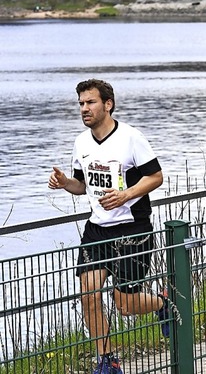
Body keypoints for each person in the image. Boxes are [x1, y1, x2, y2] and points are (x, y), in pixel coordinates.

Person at [48, 79, 168, 374]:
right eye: (81, 104)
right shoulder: (81, 142)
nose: (84, 109)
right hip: (97, 229)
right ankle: (107, 360)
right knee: (88, 296)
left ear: (107, 104)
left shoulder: (131, 138)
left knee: (124, 305)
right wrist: (65, 184)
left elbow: (156, 177)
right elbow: (81, 185)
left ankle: (162, 303)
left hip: (132, 229)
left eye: (90, 102)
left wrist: (126, 194)